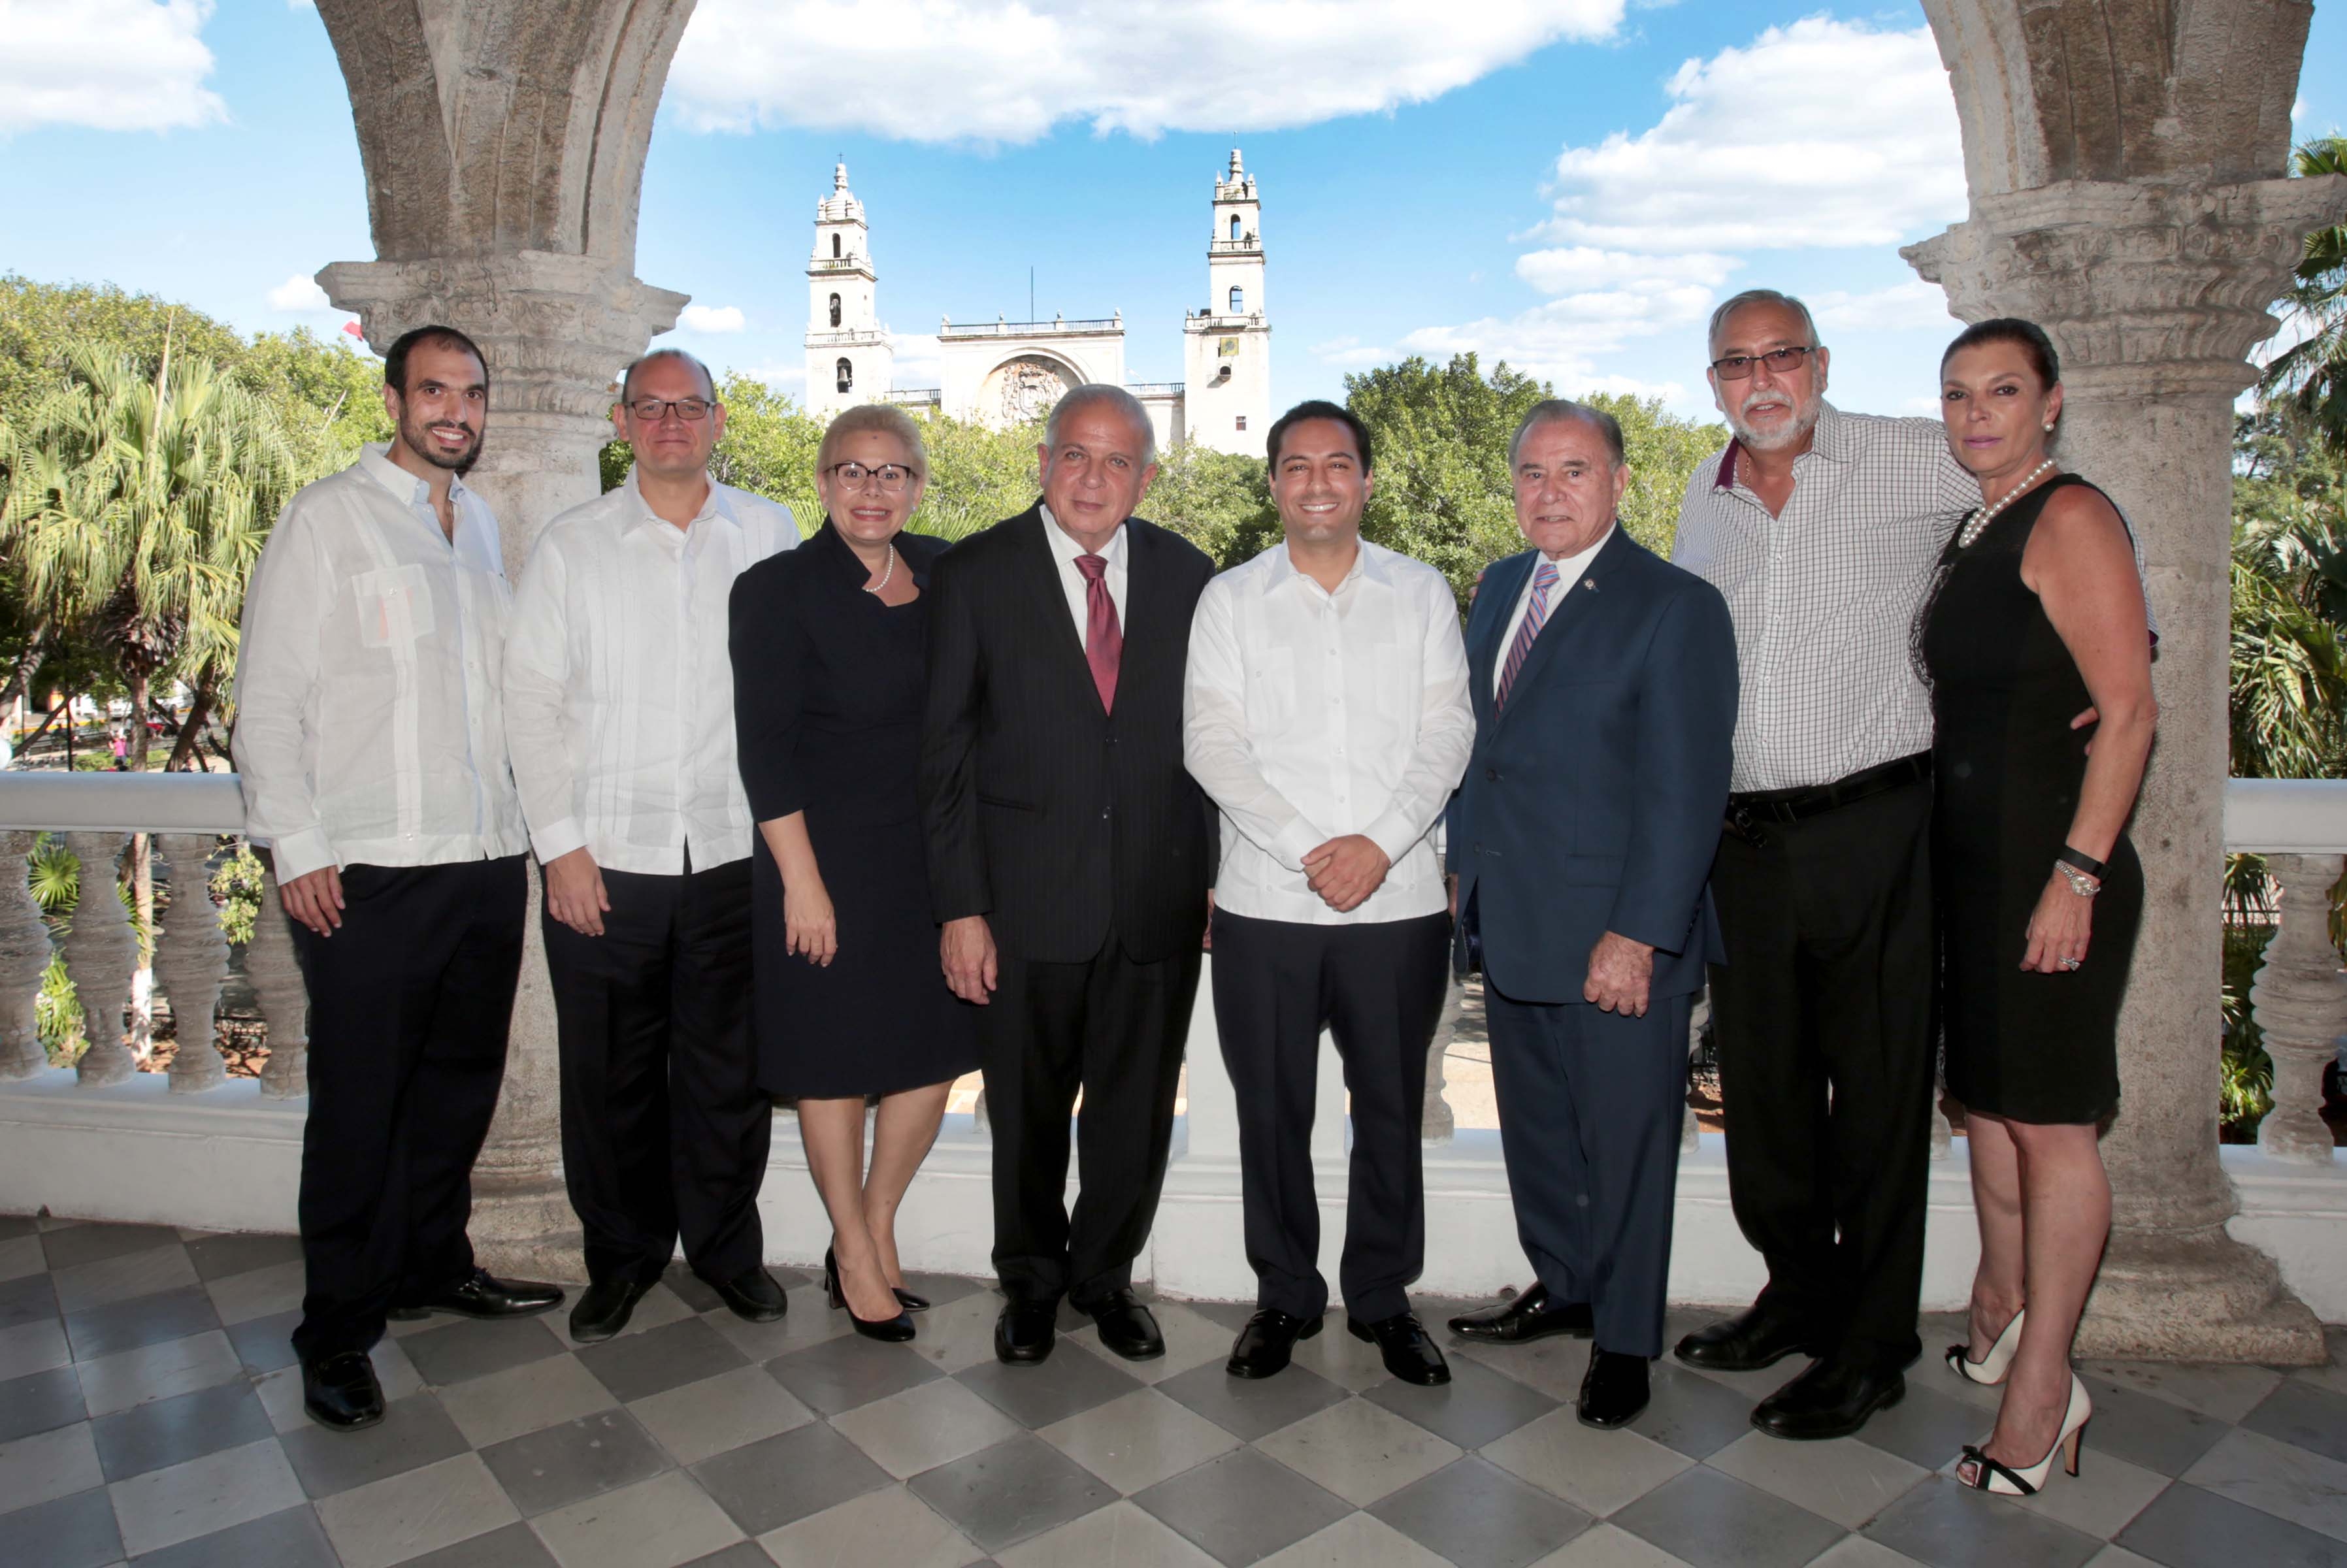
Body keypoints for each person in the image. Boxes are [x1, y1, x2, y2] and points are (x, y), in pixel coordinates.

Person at [1664, 289, 1982, 1440]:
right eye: (1736, 362)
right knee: (1765, 1095)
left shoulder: (1911, 460)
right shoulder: (1703, 503)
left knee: (1884, 1100)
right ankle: (1797, 1296)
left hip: (1875, 831)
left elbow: (2049, 496)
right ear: (1713, 383)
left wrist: (2107, 640)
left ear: (1820, 363)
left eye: (1781, 356)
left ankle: (1873, 1344)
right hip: (1744, 845)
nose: (1762, 378)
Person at [233, 325, 559, 1432]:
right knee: (361, 1109)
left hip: (480, 860)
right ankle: (336, 1331)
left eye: (471, 393)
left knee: (456, 1088)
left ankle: (433, 1266)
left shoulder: (478, 531)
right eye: (434, 392)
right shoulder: (329, 519)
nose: (454, 412)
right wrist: (296, 843)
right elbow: (267, 700)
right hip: (366, 871)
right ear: (393, 400)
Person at [1443, 401, 1737, 1430]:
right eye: (1532, 472)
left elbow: (1685, 789)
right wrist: (1457, 873)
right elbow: (1487, 750)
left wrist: (1642, 933)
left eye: (1574, 470)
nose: (1550, 492)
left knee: (1626, 1144)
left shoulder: (1675, 605)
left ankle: (1623, 1340)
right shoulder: (1499, 592)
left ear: (1617, 481)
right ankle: (1565, 1287)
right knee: (1540, 1136)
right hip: (1511, 916)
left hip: (1616, 934)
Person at [920, 384, 1217, 1367]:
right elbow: (945, 760)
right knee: (1029, 1113)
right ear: (1042, 462)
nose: (1095, 478)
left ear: (1148, 475)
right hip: (1022, 905)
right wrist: (961, 907)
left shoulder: (1190, 577)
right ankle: (1033, 1285)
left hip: (1154, 898)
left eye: (1118, 460)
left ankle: (1106, 1279)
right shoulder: (972, 575)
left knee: (1135, 1113)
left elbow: (1216, 742)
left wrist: (1211, 871)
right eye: (1076, 456)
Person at [502, 348, 796, 1343]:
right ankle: (621, 1259)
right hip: (606, 863)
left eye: (690, 406)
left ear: (720, 421)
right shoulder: (572, 545)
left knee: (728, 1075)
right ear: (621, 422)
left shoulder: (769, 532)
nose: (672, 422)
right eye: (651, 407)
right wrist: (562, 849)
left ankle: (725, 1253)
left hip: (730, 856)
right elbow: (530, 705)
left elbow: (803, 691)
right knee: (609, 1080)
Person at [1183, 400, 1474, 1386]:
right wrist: (1318, 851)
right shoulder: (1229, 601)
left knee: (1390, 1107)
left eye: (1337, 465)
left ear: (1367, 481)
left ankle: (1385, 1298)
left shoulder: (1421, 592)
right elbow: (1212, 746)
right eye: (1297, 466)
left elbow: (1449, 734)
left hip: (1396, 911)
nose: (1317, 483)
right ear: (1273, 483)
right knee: (1271, 1113)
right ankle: (1285, 1295)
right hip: (1268, 904)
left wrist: (1383, 846)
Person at [1923, 318, 2150, 1495]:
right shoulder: (1985, 521)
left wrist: (2079, 874)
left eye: (2002, 391)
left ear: (2051, 402)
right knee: (1995, 1116)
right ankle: (2003, 1304)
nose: (1977, 413)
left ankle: (2047, 1386)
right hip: (1976, 866)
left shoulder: (2071, 515)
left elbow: (2130, 710)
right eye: (1958, 393)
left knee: (2053, 1129)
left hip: (2052, 871)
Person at [730, 404, 979, 1344]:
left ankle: (869, 1229)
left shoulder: (953, 572)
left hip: (930, 861)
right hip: (820, 860)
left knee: (933, 1050)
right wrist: (802, 881)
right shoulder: (775, 589)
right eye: (852, 472)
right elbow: (766, 750)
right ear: (824, 481)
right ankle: (853, 1239)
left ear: (917, 485)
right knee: (832, 1060)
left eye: (891, 474)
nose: (872, 491)